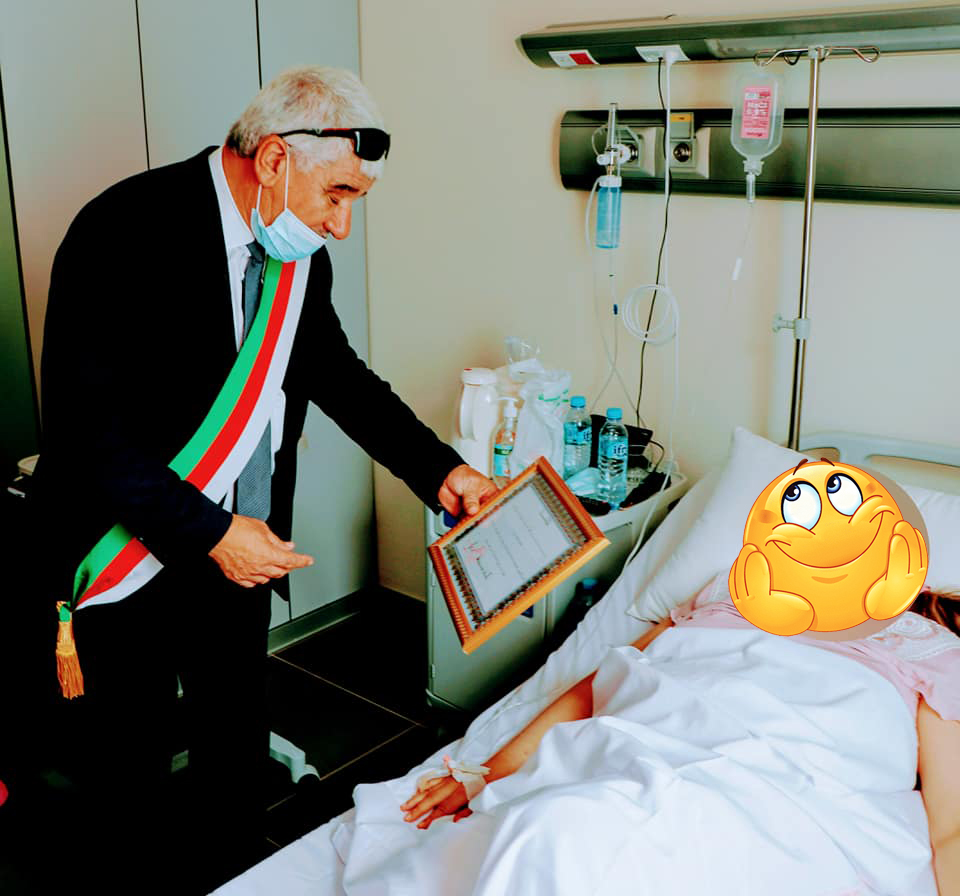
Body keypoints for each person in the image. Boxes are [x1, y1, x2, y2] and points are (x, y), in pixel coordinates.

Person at [32, 66, 495, 894]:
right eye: (338, 194)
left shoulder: (296, 249)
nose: (342, 224)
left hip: (241, 549)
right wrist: (211, 533)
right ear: (275, 158)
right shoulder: (122, 230)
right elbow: (87, 434)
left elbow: (337, 374)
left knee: (233, 750)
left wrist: (443, 471)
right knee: (129, 774)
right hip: (128, 549)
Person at [397, 582, 960, 895]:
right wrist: (486, 772)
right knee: (566, 827)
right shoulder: (741, 592)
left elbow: (949, 821)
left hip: (781, 779)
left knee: (583, 833)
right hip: (653, 735)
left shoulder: (931, 648)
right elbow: (602, 684)